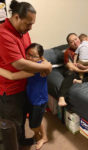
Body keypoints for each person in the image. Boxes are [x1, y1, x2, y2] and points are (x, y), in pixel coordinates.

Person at [0, 0, 52, 147]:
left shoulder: (22, 31)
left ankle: (22, 141)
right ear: (16, 17)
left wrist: (44, 63)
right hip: (9, 90)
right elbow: (19, 63)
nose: (30, 28)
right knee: (11, 126)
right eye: (28, 23)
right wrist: (43, 67)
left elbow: (29, 54)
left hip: (23, 86)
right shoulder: (3, 34)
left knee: (22, 119)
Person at [0, 43, 49, 149]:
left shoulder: (36, 69)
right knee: (36, 120)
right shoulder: (37, 63)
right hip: (31, 97)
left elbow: (12, 76)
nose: (30, 58)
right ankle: (38, 136)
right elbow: (45, 60)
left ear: (40, 57)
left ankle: (43, 137)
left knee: (34, 125)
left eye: (34, 56)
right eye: (28, 54)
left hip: (38, 101)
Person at [58, 33, 88, 106]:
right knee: (70, 74)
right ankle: (61, 97)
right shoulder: (67, 52)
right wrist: (83, 70)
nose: (75, 42)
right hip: (75, 72)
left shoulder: (87, 46)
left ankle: (81, 81)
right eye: (71, 42)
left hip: (86, 70)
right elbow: (71, 67)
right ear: (69, 44)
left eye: (76, 39)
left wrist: (86, 68)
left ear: (79, 39)